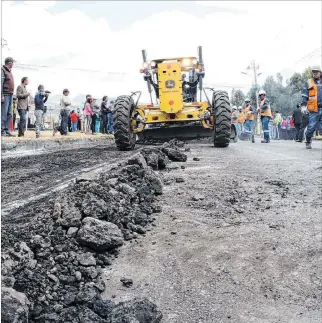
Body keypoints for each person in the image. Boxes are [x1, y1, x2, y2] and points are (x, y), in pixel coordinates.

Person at [301, 65, 322, 149]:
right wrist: (303, 106)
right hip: (314, 109)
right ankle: (308, 140)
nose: (315, 73)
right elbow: (304, 95)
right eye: (313, 72)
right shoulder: (309, 82)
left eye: (316, 72)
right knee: (311, 127)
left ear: (320, 73)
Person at [1, 57, 15, 136]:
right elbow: (1, 83)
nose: (13, 64)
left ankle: (7, 130)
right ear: (10, 63)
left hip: (10, 95)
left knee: (9, 113)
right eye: (12, 63)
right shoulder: (2, 70)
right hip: (5, 95)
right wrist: (1, 95)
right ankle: (2, 131)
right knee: (3, 114)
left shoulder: (9, 72)